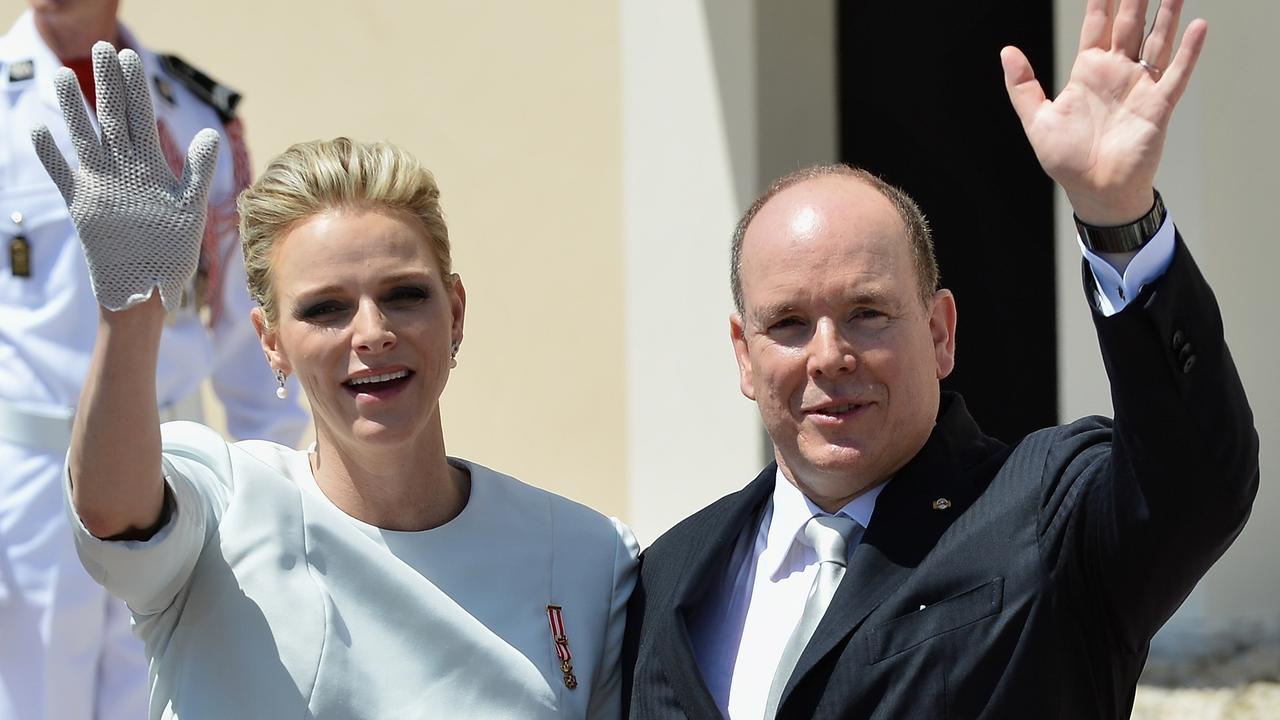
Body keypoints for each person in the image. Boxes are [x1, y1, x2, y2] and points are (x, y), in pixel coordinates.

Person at [622, 0, 1258, 718]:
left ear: (940, 332)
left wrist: (1118, 216)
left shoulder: (1045, 514)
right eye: (791, 323)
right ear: (745, 354)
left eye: (866, 313)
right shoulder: (665, 579)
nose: (829, 357)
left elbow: (1197, 481)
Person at [33, 39, 637, 719]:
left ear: (456, 311)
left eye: (405, 294)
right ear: (272, 344)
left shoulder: (587, 556)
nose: (372, 331)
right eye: (325, 309)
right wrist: (132, 313)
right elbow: (115, 515)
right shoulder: (220, 501)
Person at [0, 3, 307, 718]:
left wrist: (261, 490)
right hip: (30, 484)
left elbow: (239, 323)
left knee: (173, 699)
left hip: (178, 465)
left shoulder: (192, 112)